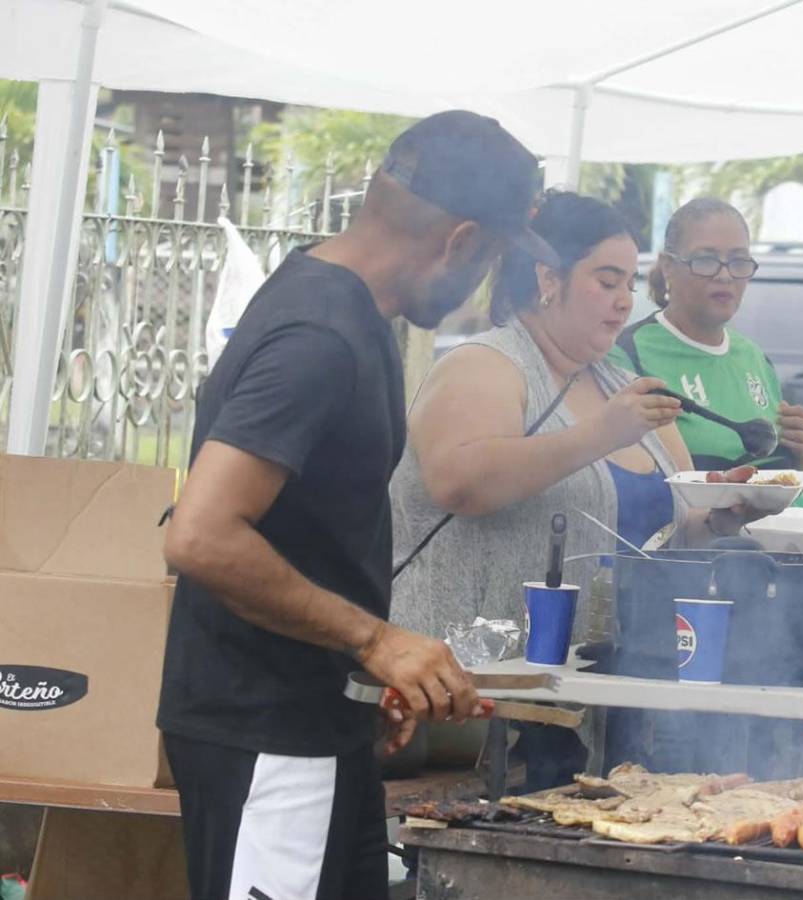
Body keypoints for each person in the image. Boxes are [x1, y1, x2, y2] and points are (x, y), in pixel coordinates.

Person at [157, 111, 555, 900]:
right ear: (462, 240)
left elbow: (303, 528)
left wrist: (359, 670)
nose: (481, 283)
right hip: (265, 733)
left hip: (313, 719)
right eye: (493, 261)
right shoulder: (320, 334)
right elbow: (199, 534)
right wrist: (374, 641)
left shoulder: (344, 306)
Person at [391, 190, 758, 642]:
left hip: (594, 679)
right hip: (464, 681)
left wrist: (721, 518)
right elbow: (459, 484)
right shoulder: (483, 366)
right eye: (607, 282)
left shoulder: (621, 383)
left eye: (630, 284)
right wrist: (601, 434)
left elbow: (672, 528)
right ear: (548, 279)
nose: (625, 301)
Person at [610, 197, 803, 506]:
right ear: (668, 266)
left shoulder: (754, 357)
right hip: (707, 544)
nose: (724, 275)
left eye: (738, 261)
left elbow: (779, 477)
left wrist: (801, 458)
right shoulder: (629, 356)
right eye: (706, 260)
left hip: (791, 535)